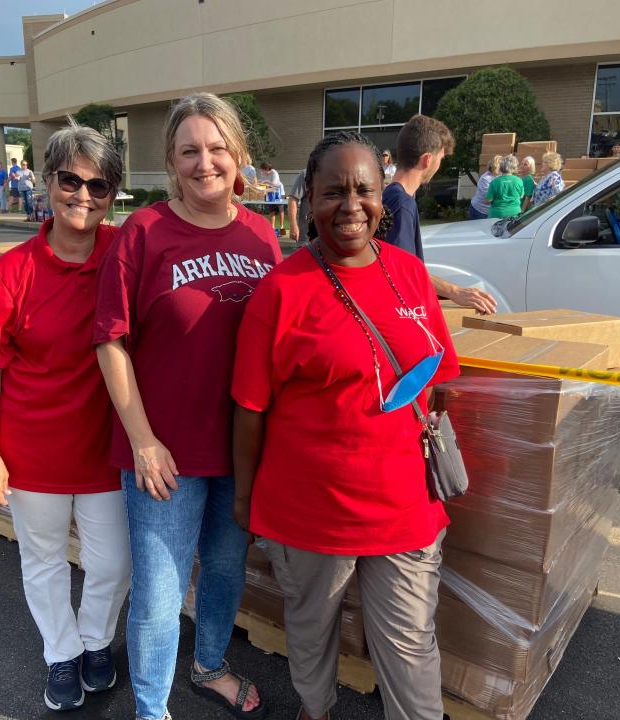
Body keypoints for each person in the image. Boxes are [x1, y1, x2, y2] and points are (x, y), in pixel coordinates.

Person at [231, 131, 459, 720]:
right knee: (311, 629)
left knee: (410, 644)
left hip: (404, 505)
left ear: (384, 197)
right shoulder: (281, 291)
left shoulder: (410, 275)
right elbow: (250, 408)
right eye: (334, 191)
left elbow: (439, 379)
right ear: (309, 200)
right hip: (309, 508)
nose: (351, 205)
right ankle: (316, 709)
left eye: (364, 189)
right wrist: (243, 499)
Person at [94, 92, 280, 720]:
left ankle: (208, 666)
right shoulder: (142, 234)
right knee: (158, 590)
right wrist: (143, 440)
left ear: (239, 156)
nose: (206, 162)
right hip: (163, 453)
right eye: (190, 151)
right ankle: (151, 709)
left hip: (237, 447)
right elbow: (110, 341)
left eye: (218, 148)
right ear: (171, 163)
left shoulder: (260, 235)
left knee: (227, 570)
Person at [0, 122, 132, 713]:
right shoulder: (12, 271)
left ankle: (96, 641)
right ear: (47, 182)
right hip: (32, 450)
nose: (83, 196)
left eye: (99, 185)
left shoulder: (123, 251)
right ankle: (61, 654)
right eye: (71, 180)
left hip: (104, 450)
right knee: (41, 562)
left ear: (114, 194)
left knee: (112, 562)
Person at [382, 114, 497, 314]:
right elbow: (404, 272)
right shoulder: (401, 203)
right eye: (441, 159)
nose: (439, 166)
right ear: (427, 159)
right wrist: (455, 291)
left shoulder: (391, 195)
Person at [484, 154, 524, 219]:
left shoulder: (494, 182)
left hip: (496, 214)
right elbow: (521, 196)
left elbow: (488, 200)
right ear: (514, 166)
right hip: (514, 214)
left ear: (501, 166)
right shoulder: (519, 181)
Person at [468, 154, 502, 220]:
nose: (503, 169)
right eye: (500, 167)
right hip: (479, 211)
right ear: (494, 167)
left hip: (490, 210)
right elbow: (488, 198)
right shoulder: (486, 178)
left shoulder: (499, 176)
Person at [257, 161, 286, 236]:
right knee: (272, 210)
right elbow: (261, 182)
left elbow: (274, 183)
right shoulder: (263, 173)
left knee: (280, 209)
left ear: (266, 168)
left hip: (279, 192)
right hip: (270, 192)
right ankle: (272, 227)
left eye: (263, 169)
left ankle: (282, 227)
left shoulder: (274, 173)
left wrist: (266, 181)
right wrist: (259, 182)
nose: (262, 171)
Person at [287, 168, 309, 245]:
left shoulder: (338, 173)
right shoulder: (306, 174)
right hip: (307, 236)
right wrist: (293, 224)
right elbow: (293, 199)